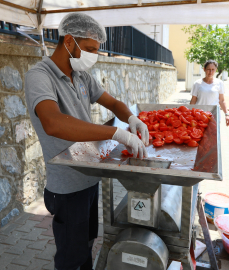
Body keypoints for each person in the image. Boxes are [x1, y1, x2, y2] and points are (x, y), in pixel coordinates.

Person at [24, 13, 149, 270]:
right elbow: (53, 122)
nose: (94, 55)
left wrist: (132, 119)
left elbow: (113, 103)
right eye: (90, 49)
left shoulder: (81, 76)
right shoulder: (40, 76)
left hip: (89, 177)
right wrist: (114, 133)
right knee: (71, 256)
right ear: (69, 42)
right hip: (67, 187)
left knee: (88, 244)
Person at [190, 60, 229, 126]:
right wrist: (190, 114)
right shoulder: (197, 83)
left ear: (216, 70)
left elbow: (222, 101)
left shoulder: (219, 83)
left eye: (213, 69)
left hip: (213, 116)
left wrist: (227, 114)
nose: (210, 72)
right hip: (199, 116)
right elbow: (193, 101)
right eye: (208, 69)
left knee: (214, 135)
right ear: (204, 69)